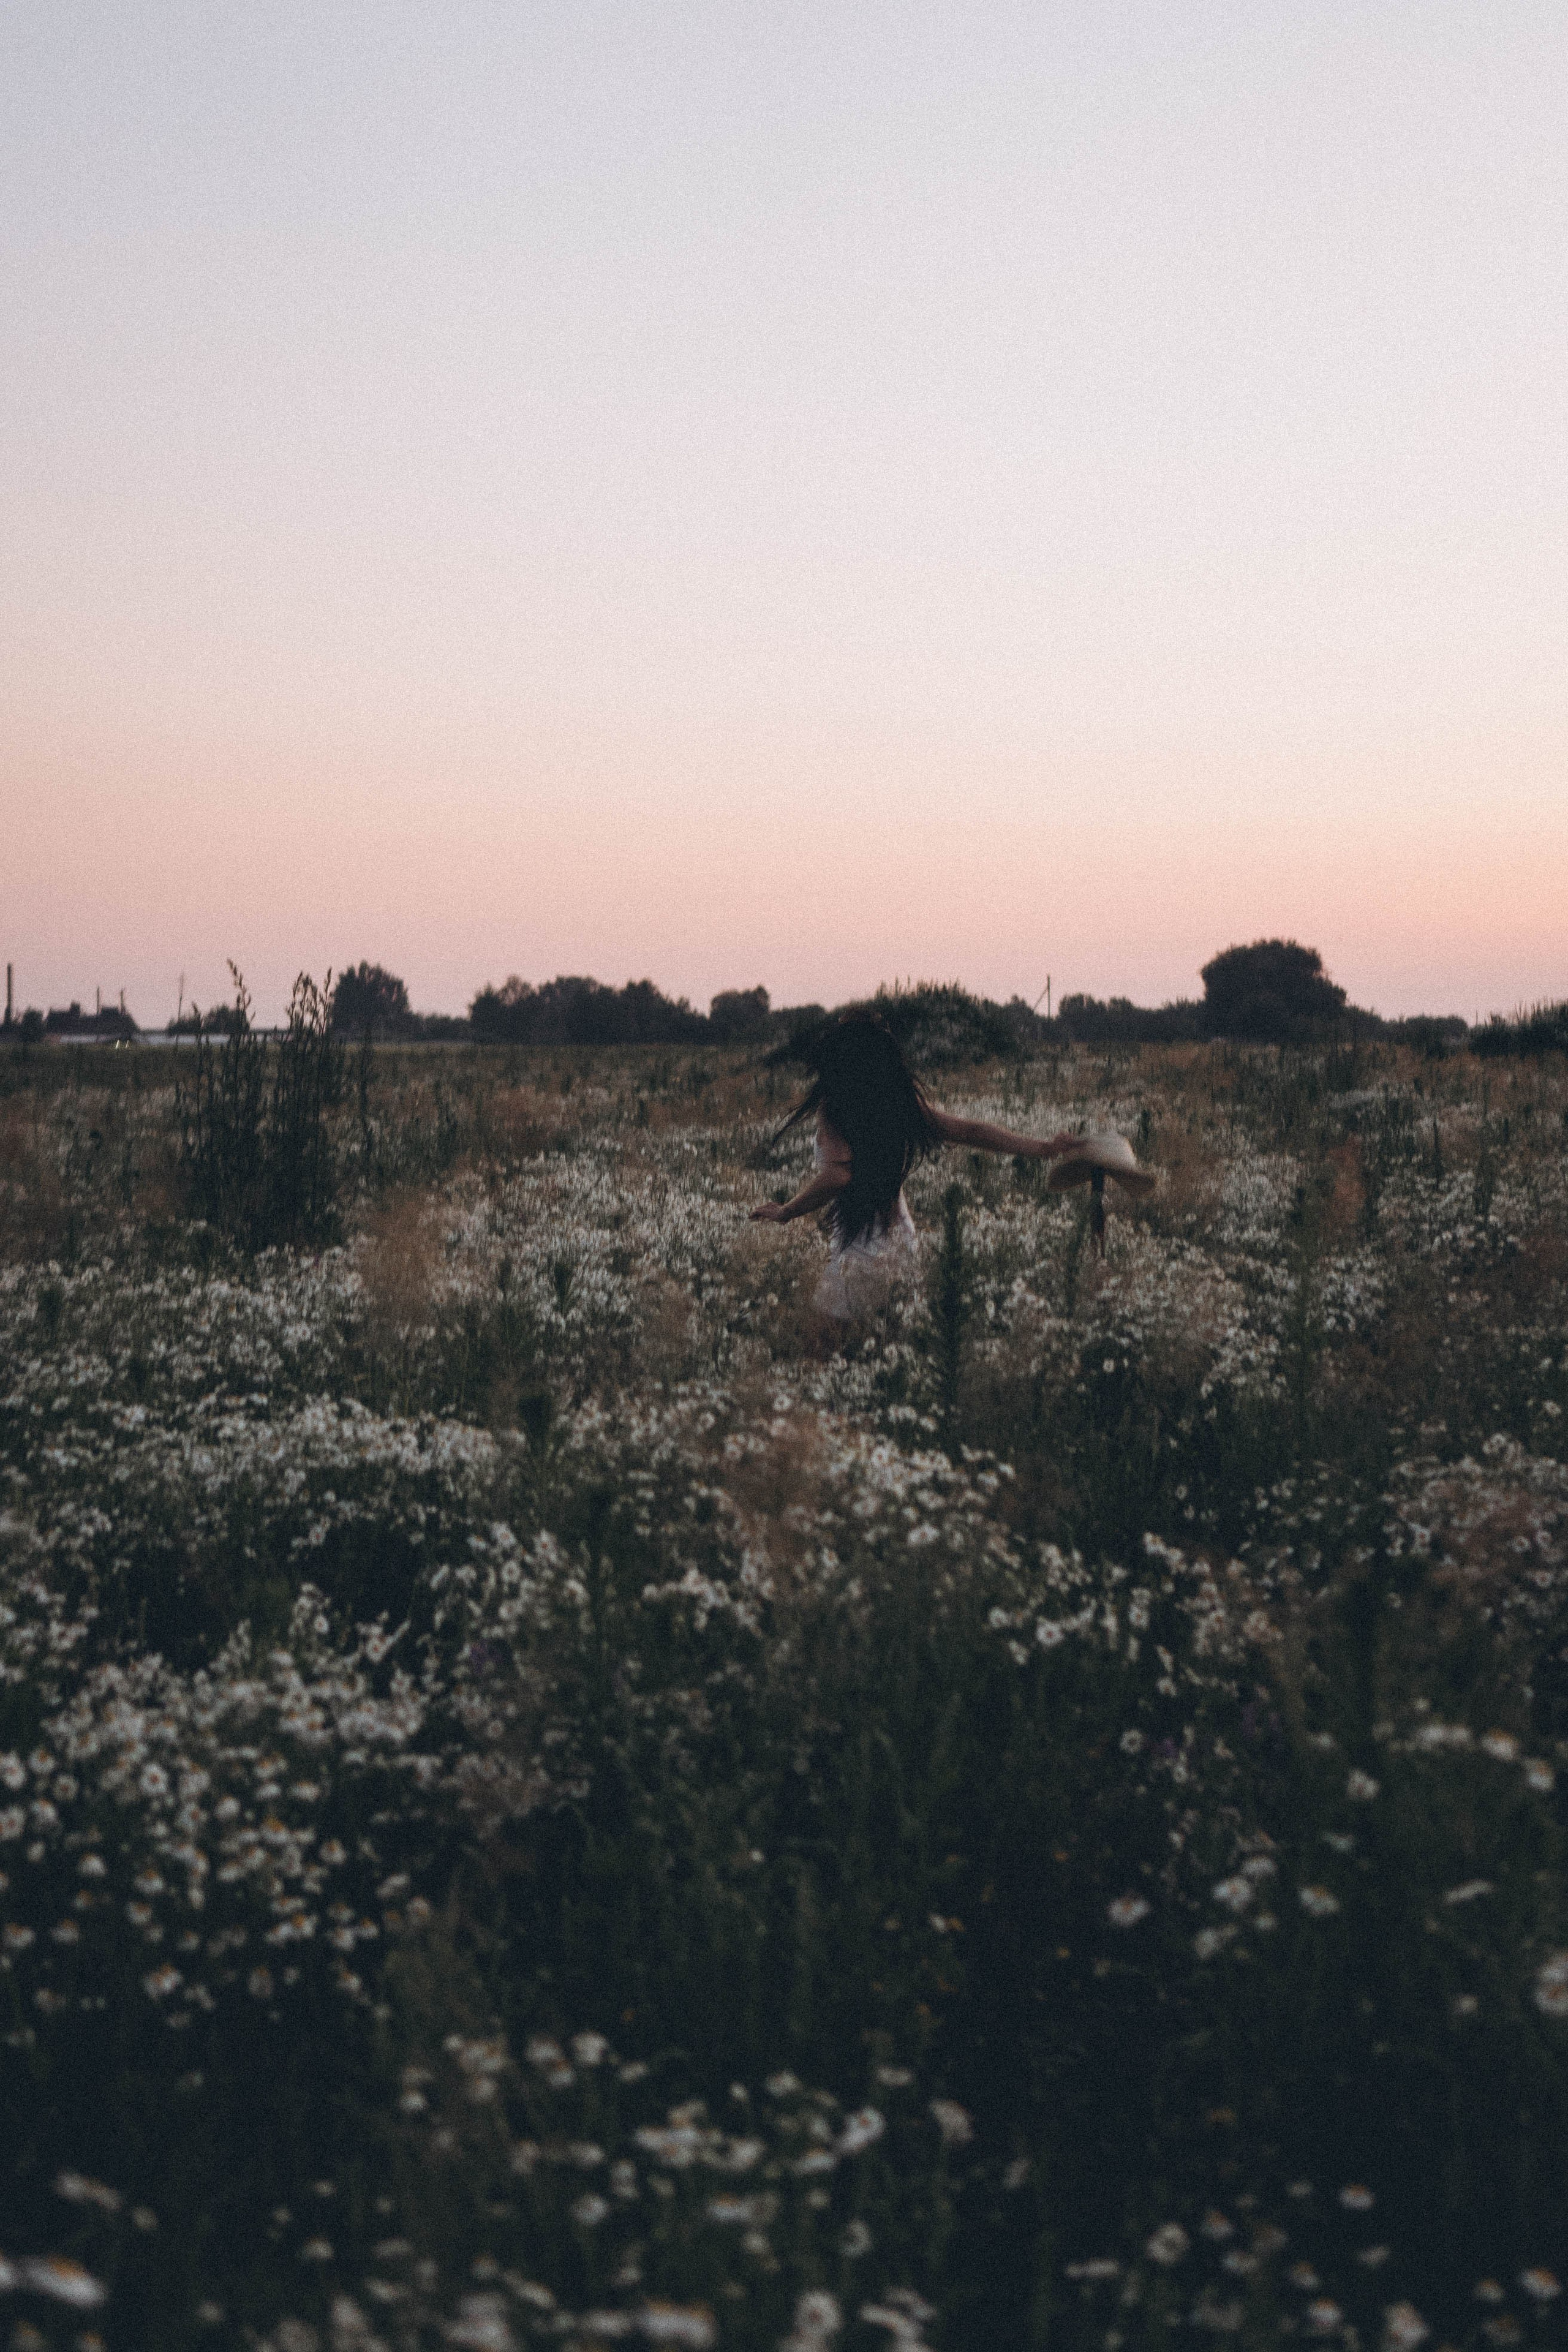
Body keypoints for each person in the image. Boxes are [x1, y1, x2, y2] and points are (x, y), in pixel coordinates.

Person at [750, 1011, 1081, 1320]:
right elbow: (971, 1131)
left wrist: (787, 1212)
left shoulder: (834, 1108)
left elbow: (839, 1175)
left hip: (861, 1250)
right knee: (886, 1343)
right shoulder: (900, 1104)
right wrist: (1044, 1148)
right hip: (903, 1243)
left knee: (825, 1352)